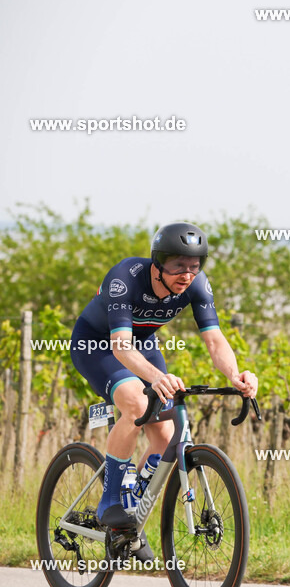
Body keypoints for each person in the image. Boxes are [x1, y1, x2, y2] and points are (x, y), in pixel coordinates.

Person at [70, 222, 258, 559]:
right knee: (135, 404)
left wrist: (235, 374)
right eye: (177, 266)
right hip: (98, 344)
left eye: (194, 266)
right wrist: (157, 377)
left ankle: (131, 516)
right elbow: (121, 346)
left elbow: (215, 341)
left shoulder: (196, 284)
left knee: (166, 435)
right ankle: (110, 502)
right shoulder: (125, 277)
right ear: (157, 264)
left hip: (143, 344)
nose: (186, 274)